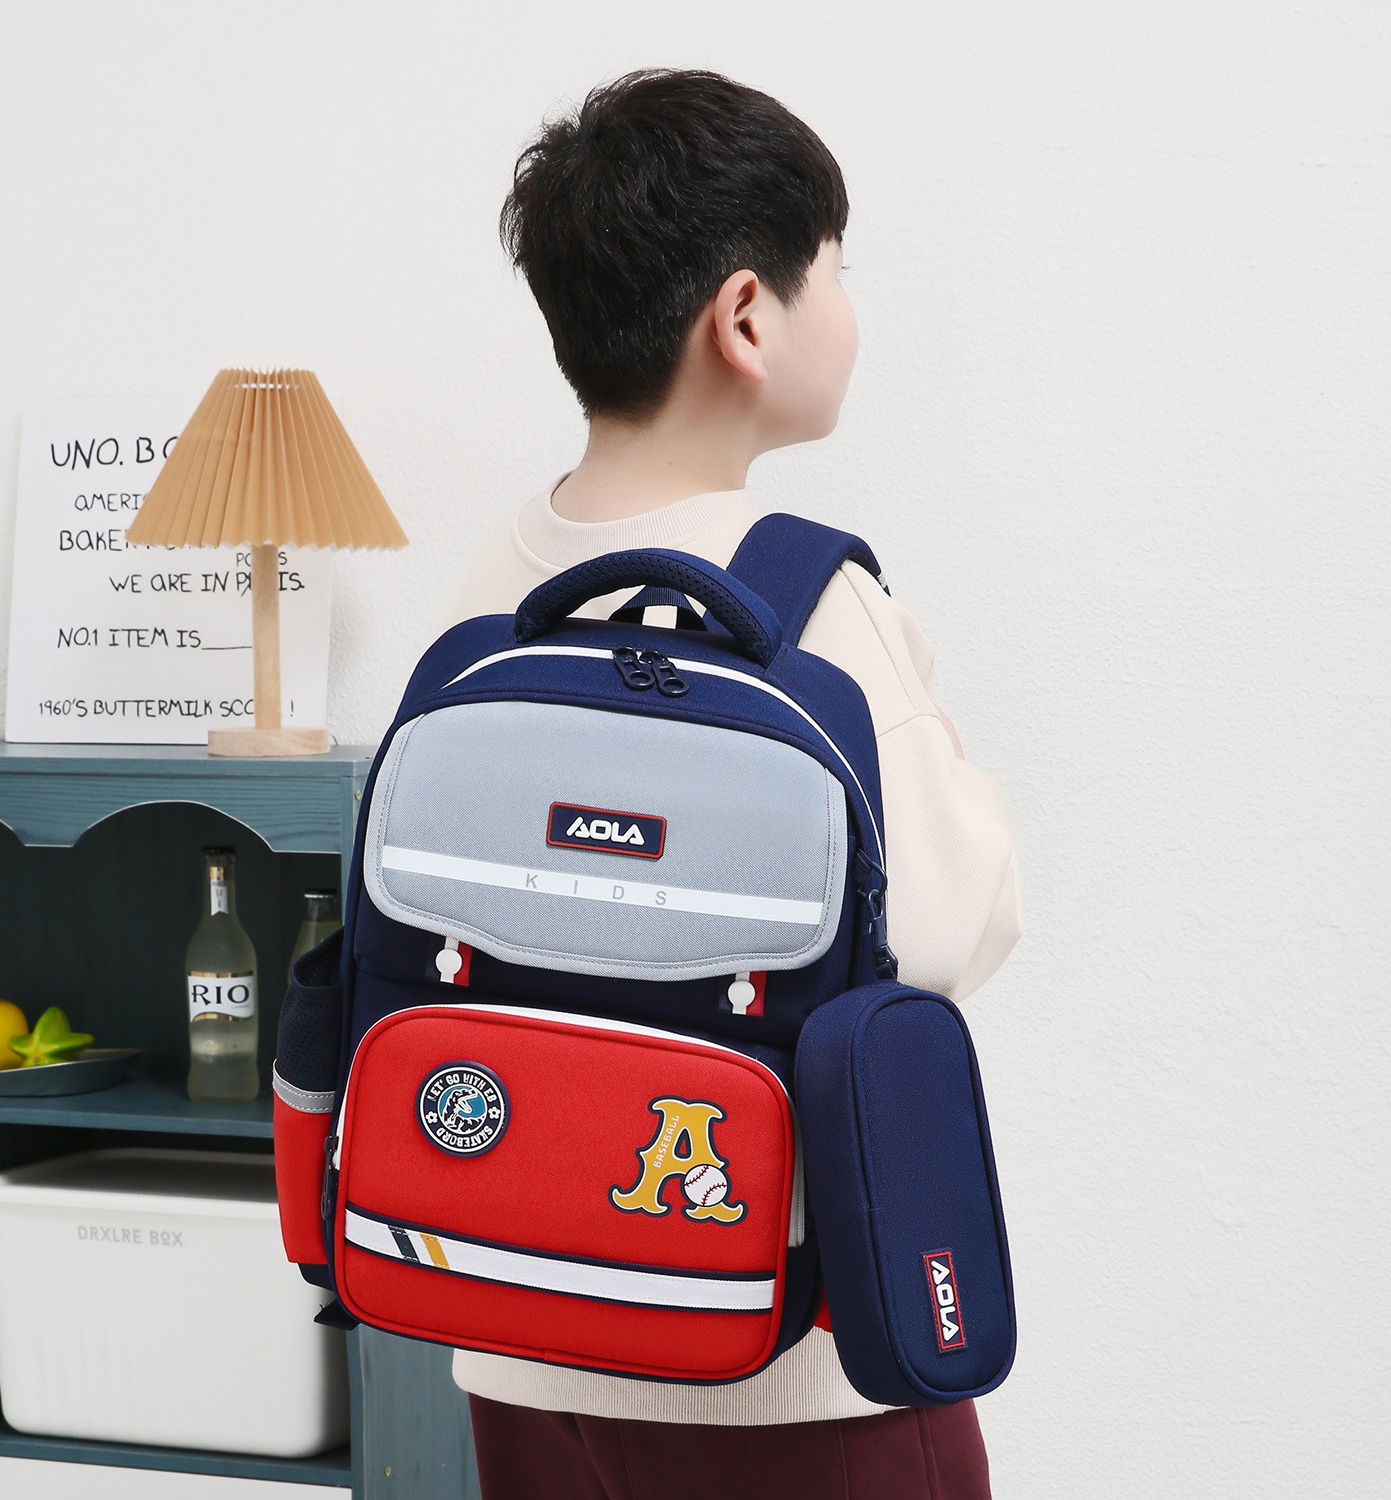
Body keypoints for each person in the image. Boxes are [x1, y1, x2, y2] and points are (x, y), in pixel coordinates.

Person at [439, 68, 1022, 1500]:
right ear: (748, 316)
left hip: (517, 1328)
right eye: (837, 269)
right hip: (781, 1357)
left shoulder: (495, 589)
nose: (851, 308)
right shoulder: (809, 605)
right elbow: (952, 927)